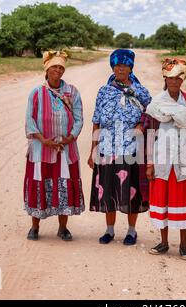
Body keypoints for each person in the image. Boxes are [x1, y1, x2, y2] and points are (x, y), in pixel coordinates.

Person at [88, 49, 151, 246]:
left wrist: (142, 124)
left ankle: (132, 231)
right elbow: (96, 121)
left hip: (131, 148)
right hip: (107, 148)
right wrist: (93, 149)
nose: (120, 69)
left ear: (130, 67)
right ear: (112, 67)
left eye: (124, 65)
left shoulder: (141, 91)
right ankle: (109, 230)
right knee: (108, 191)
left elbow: (152, 114)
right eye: (116, 65)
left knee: (131, 191)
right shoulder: (104, 91)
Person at [24, 50, 85, 241]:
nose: (57, 70)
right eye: (54, 67)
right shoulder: (36, 93)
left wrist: (70, 138)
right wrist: (44, 140)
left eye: (61, 67)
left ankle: (63, 228)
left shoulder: (72, 92)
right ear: (47, 69)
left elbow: (78, 118)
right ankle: (35, 227)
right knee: (39, 184)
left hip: (65, 151)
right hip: (41, 150)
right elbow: (30, 120)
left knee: (64, 185)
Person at [145, 58, 186, 260]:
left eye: (177, 78)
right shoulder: (157, 102)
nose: (173, 82)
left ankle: (184, 245)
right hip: (162, 158)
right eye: (169, 78)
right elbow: (151, 132)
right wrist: (149, 163)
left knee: (182, 202)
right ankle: (164, 242)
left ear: (182, 79)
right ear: (165, 78)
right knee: (164, 202)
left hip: (183, 159)